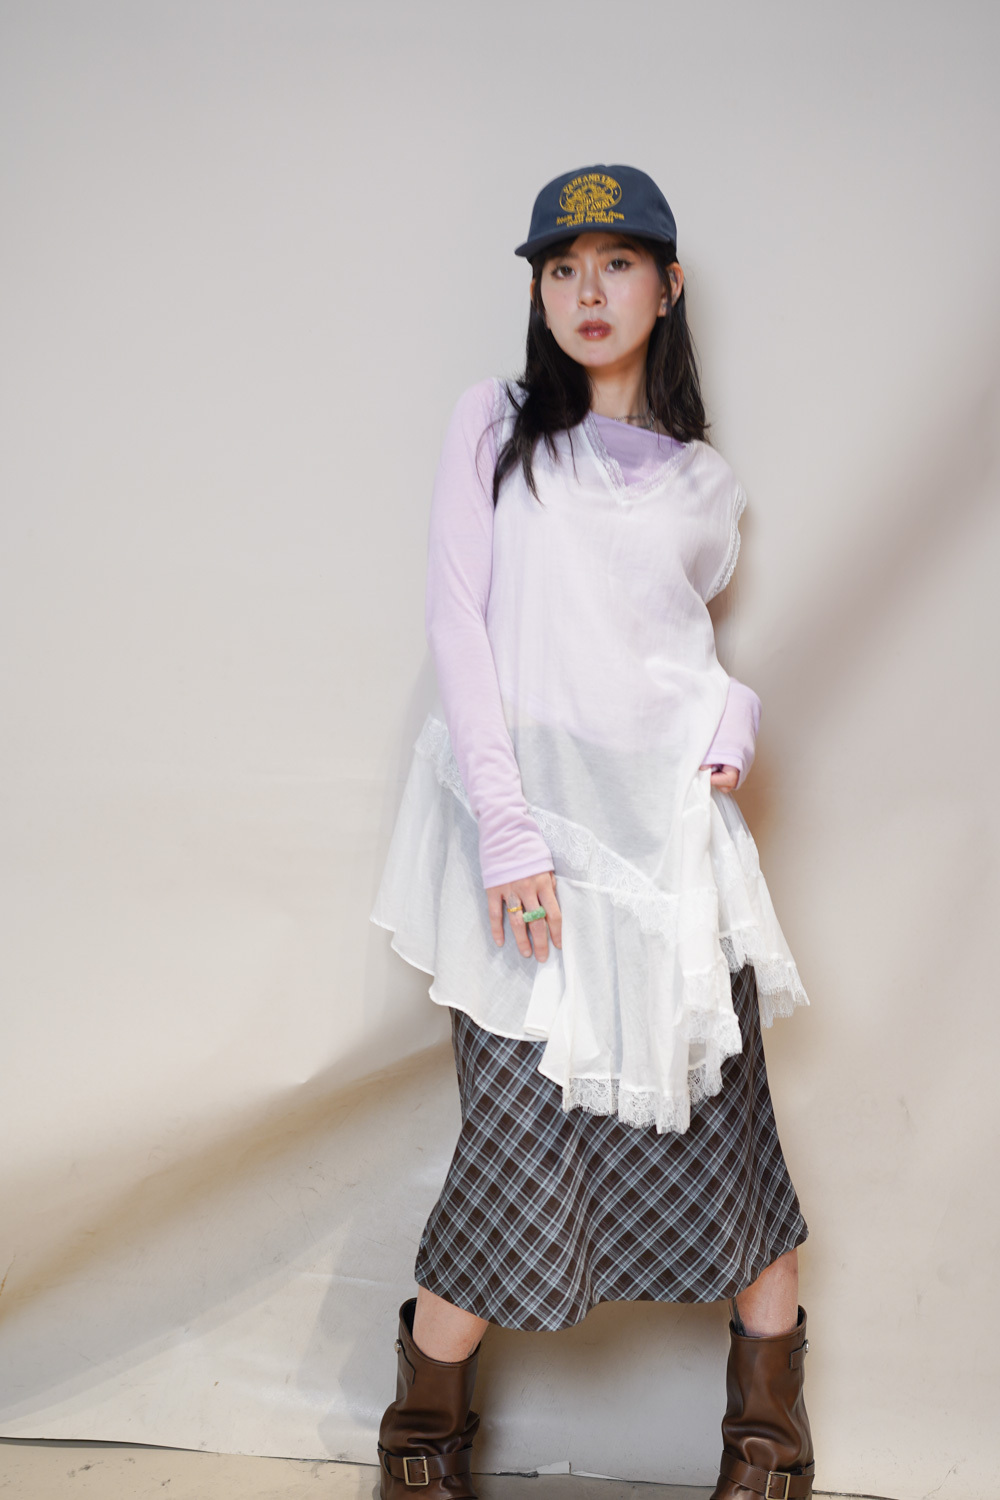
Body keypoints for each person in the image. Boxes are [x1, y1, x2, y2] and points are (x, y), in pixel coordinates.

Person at [369, 164, 814, 1500]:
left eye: (617, 264)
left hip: (667, 856)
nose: (588, 291)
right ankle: (421, 1440)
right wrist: (509, 834)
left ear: (666, 288)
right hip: (534, 847)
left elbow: (668, 649)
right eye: (562, 269)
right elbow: (460, 625)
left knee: (730, 1153)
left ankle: (769, 1443)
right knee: (513, 1154)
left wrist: (733, 709)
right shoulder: (495, 426)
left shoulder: (704, 484)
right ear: (538, 295)